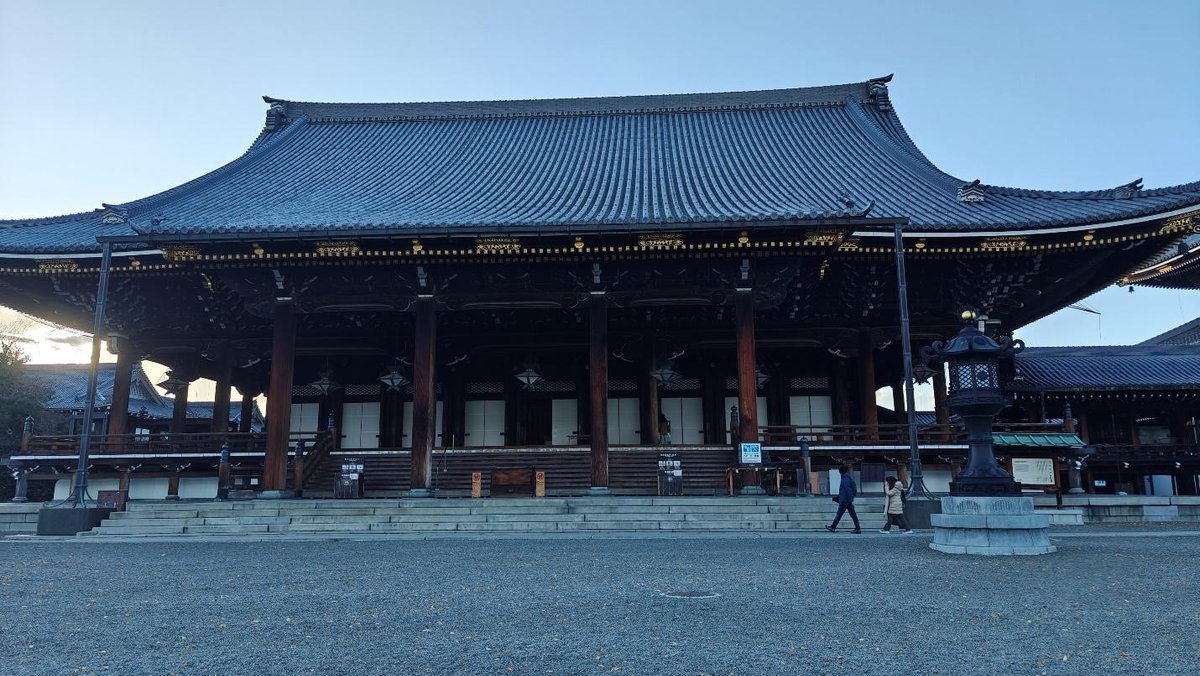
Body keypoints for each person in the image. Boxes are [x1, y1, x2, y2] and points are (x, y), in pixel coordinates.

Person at [825, 464, 861, 533]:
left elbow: (846, 491)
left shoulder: (845, 480)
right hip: (848, 500)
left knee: (839, 514)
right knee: (853, 515)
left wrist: (844, 499)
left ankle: (833, 527)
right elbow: (853, 490)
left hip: (845, 500)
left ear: (841, 472)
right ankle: (858, 528)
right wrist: (850, 498)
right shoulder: (849, 478)